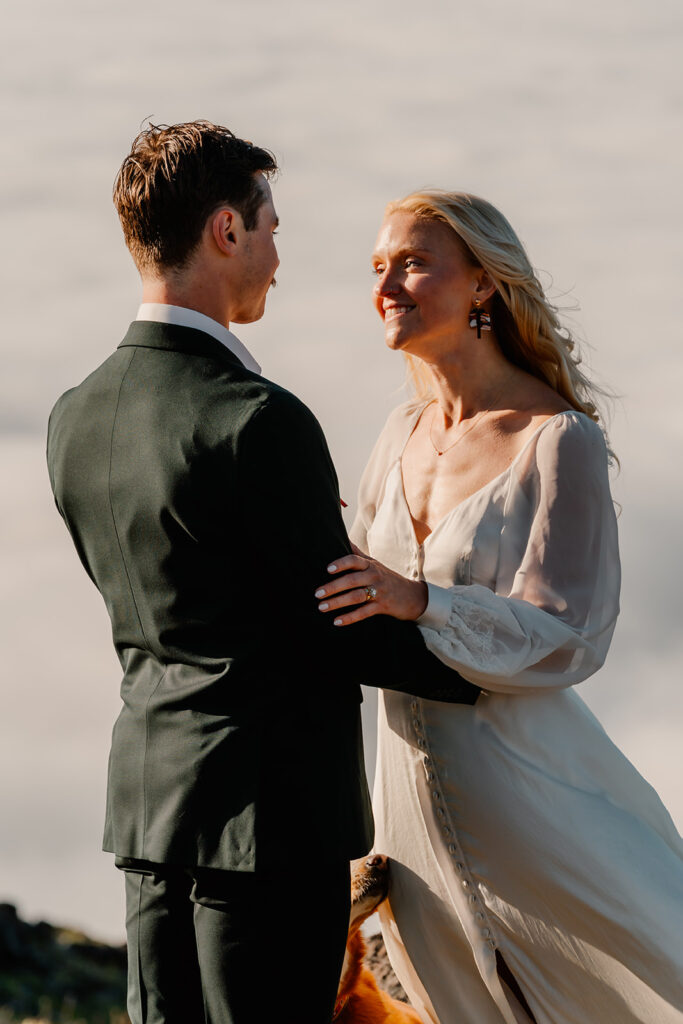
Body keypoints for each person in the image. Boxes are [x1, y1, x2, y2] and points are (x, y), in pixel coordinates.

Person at [46, 125, 480, 1024]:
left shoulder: (74, 417)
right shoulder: (256, 421)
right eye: (270, 228)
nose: (278, 255)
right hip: (270, 822)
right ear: (225, 232)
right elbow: (334, 615)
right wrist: (494, 661)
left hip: (149, 814)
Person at [314, 190, 683, 1023]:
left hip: (533, 790)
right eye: (378, 269)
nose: (387, 287)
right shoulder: (396, 433)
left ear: (483, 284)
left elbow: (569, 637)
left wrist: (422, 599)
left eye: (411, 263)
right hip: (403, 800)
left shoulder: (559, 441)